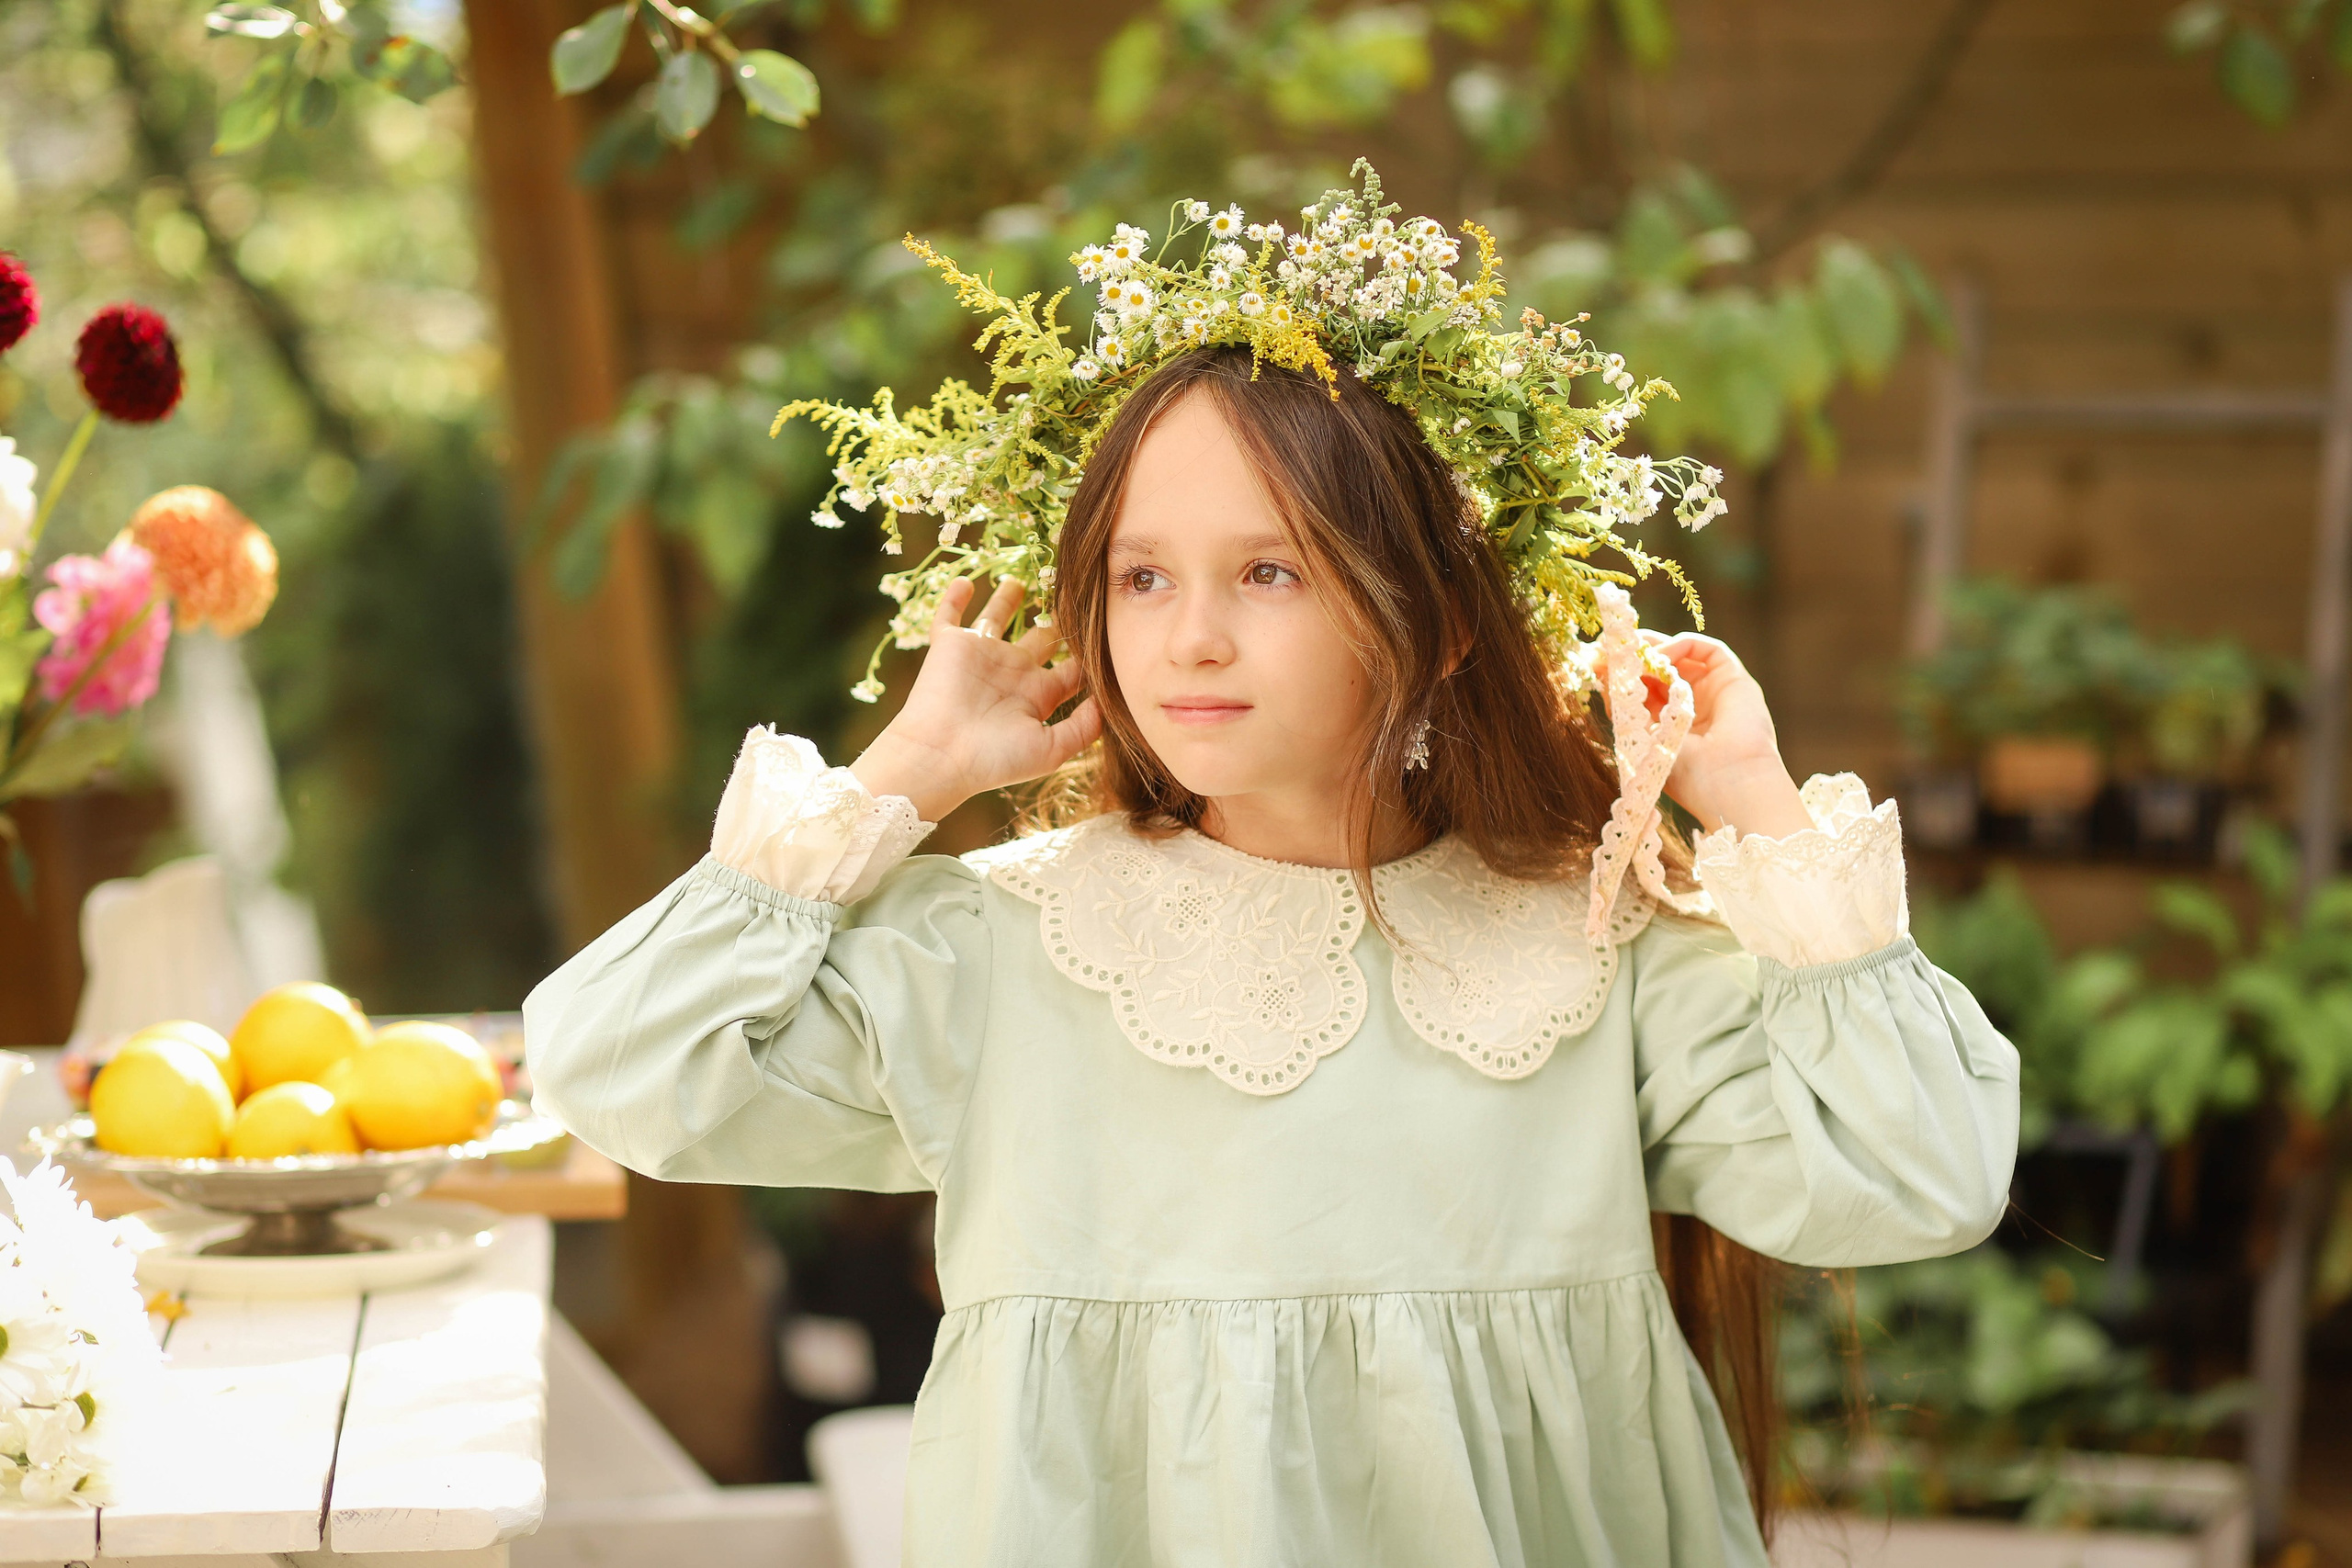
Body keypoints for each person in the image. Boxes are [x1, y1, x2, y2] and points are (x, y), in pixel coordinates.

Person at [526, 170, 2018, 1568]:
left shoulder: (1589, 948)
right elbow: (620, 1069)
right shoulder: (1004, 951)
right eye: (1142, 576)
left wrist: (1750, 797)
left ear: (1433, 624)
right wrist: (901, 777)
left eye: (1271, 572)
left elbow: (1919, 1177)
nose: (1191, 639)